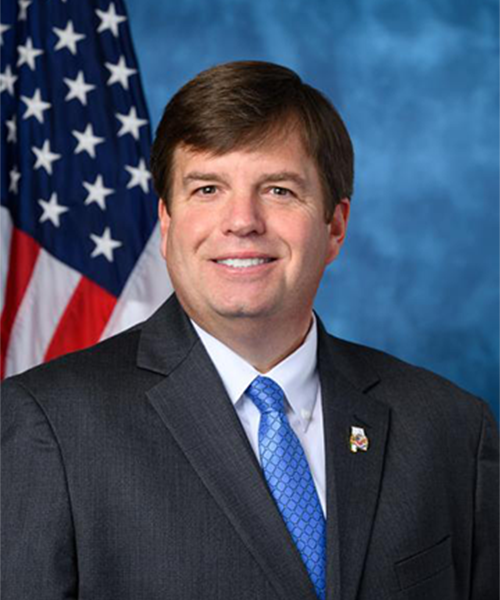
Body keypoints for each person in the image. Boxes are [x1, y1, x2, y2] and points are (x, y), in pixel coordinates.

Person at [2, 61, 498, 600]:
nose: (242, 221)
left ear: (335, 226)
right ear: (166, 224)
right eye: (208, 189)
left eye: (279, 190)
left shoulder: (451, 429)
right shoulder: (51, 426)